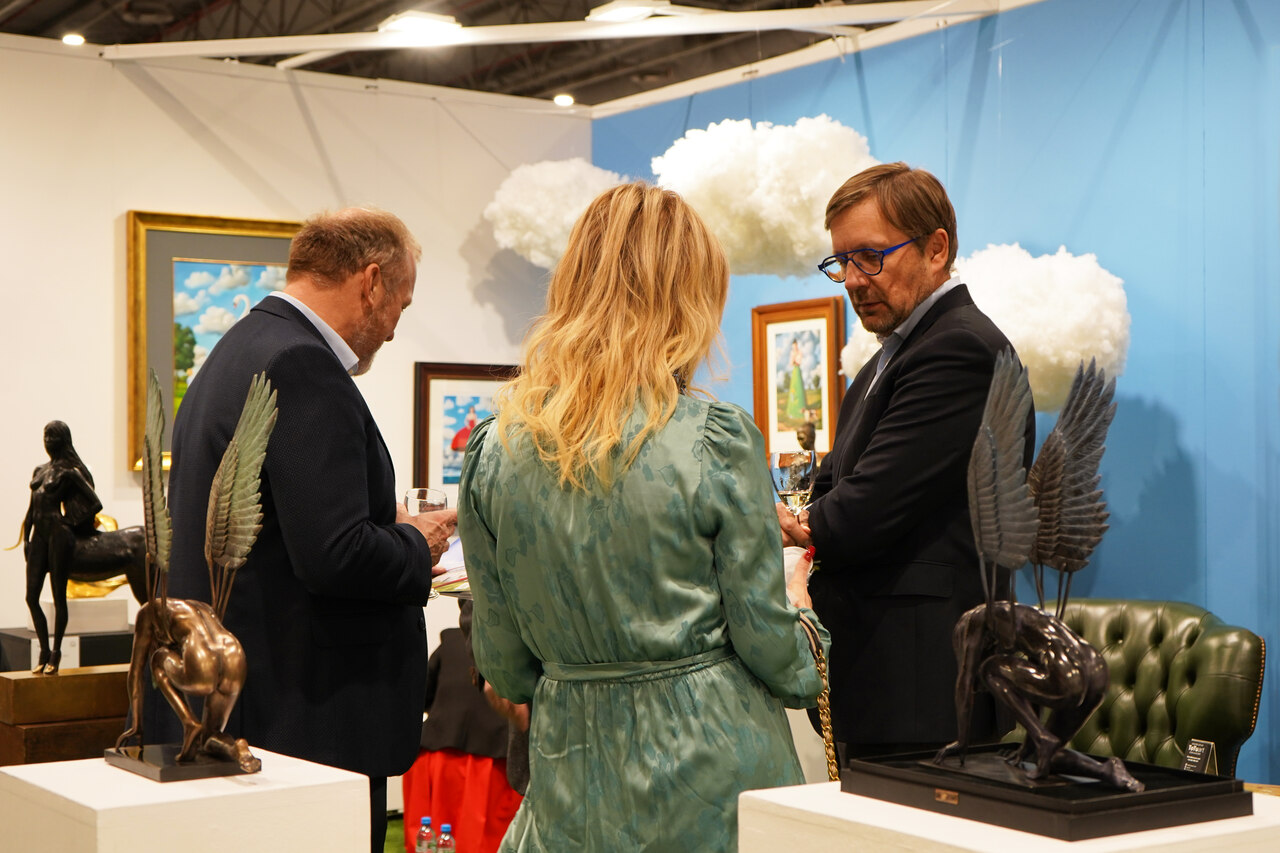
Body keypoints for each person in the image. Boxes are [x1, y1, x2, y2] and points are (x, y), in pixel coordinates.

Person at [457, 182, 827, 852]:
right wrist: (804, 618)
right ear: (690, 300)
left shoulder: (496, 450)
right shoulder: (714, 439)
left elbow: (505, 667)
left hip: (574, 774)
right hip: (711, 770)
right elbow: (773, 651)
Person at [156, 207, 457, 853]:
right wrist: (418, 541)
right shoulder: (302, 363)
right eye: (401, 305)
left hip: (251, 704)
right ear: (371, 282)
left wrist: (377, 521)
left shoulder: (239, 347)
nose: (394, 330)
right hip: (309, 720)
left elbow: (288, 526)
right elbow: (335, 555)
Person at [779, 162, 1035, 761]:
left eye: (870, 257)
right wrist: (805, 515)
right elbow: (831, 483)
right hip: (891, 681)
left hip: (927, 686)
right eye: (841, 261)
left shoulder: (959, 349)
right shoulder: (885, 360)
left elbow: (864, 508)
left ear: (936, 248)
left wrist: (783, 523)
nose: (851, 279)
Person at [401, 601, 524, 853]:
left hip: (434, 756)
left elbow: (420, 697)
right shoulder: (525, 646)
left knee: (433, 840)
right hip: (492, 762)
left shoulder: (450, 642)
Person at [21, 420, 102, 674]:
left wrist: (71, 522)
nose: (47, 441)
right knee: (31, 597)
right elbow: (31, 510)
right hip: (38, 538)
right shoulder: (39, 470)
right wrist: (26, 539)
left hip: (58, 536)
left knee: (59, 598)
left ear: (62, 440)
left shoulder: (69, 473)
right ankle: (43, 651)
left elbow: (94, 502)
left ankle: (55, 654)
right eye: (45, 435)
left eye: (52, 436)